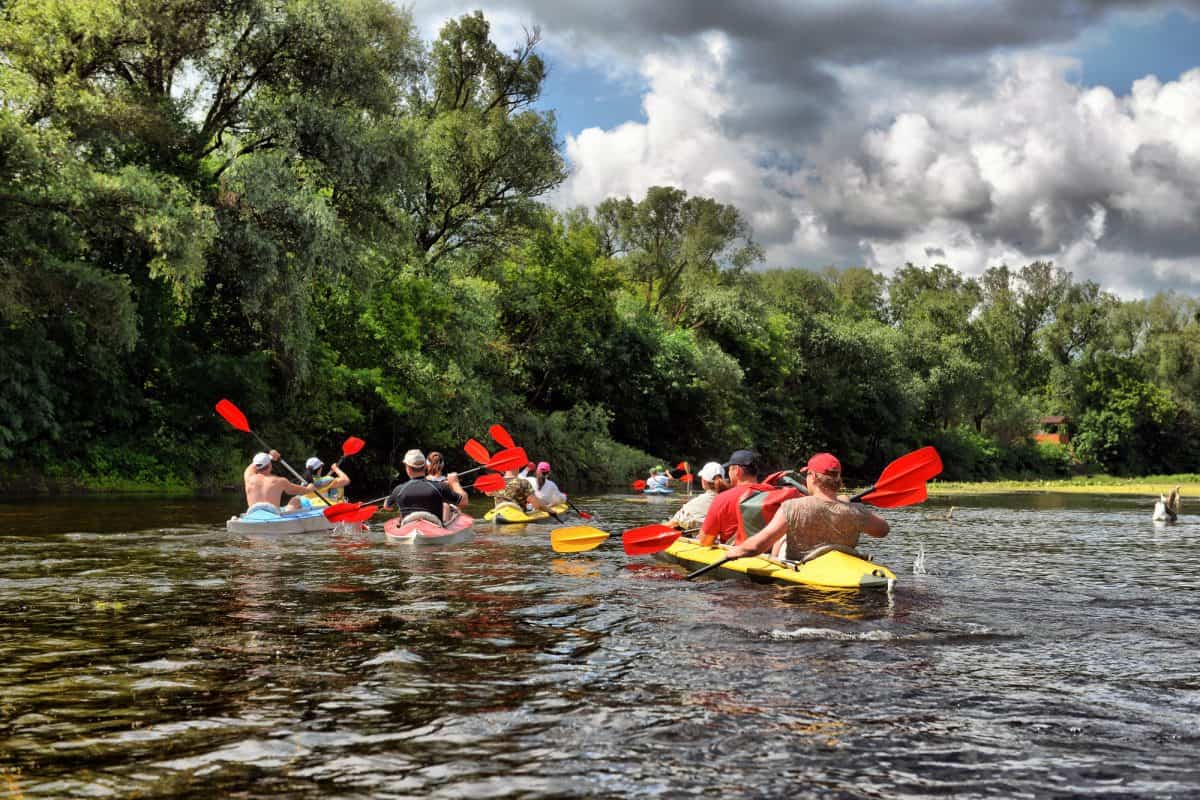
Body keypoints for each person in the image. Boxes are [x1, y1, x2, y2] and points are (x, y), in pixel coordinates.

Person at [723, 453, 889, 562]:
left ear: (814, 476)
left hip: (799, 586)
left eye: (807, 474)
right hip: (839, 579)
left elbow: (757, 546)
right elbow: (883, 530)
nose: (806, 479)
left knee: (781, 540)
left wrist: (734, 552)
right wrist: (848, 505)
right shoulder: (856, 511)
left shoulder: (792, 507)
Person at [697, 450, 775, 545]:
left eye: (729, 470)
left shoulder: (722, 498)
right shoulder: (773, 492)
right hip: (768, 553)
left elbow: (705, 541)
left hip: (737, 555)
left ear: (737, 470)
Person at [384, 449, 468, 525]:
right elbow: (464, 502)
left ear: (407, 468)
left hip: (407, 526)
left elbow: (387, 507)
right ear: (425, 467)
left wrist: (389, 499)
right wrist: (454, 483)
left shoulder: (398, 490)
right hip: (435, 527)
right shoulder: (439, 487)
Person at [243, 450, 312, 513]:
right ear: (270, 465)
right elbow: (296, 491)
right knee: (295, 500)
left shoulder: (248, 477)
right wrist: (309, 489)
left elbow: (253, 466)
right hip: (273, 517)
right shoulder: (280, 481)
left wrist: (268, 457)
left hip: (253, 516)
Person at [668, 461, 726, 529]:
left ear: (703, 481)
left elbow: (672, 524)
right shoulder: (733, 498)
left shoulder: (696, 503)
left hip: (702, 536)